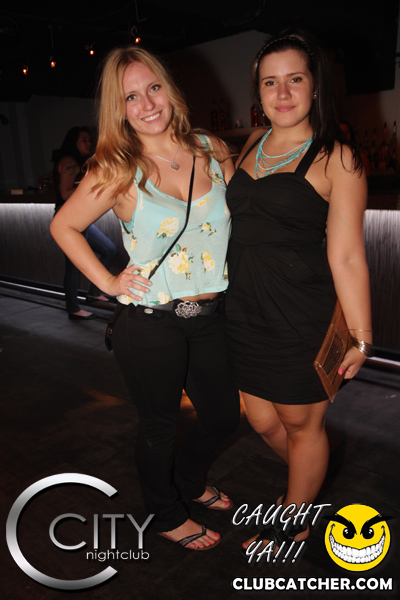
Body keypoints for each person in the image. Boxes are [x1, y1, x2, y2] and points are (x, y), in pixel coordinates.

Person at [50, 47, 240, 550]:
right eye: (131, 97)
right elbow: (64, 225)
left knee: (223, 415)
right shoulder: (117, 167)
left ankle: (189, 481)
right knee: (159, 426)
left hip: (210, 314)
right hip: (151, 321)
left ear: (169, 88)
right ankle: (164, 512)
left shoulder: (212, 148)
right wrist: (109, 282)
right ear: (119, 109)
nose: (147, 104)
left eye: (153, 88)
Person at [224, 29, 372, 554]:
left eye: (295, 79)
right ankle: (308, 487)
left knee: (300, 424)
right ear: (258, 91)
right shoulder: (252, 143)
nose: (282, 93)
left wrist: (361, 336)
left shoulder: (339, 158)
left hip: (299, 315)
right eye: (270, 82)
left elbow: (347, 256)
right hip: (243, 311)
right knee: (262, 419)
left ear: (315, 86)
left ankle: (294, 522)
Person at [53, 126, 117, 319]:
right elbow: (65, 193)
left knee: (109, 249)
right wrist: (91, 186)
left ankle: (94, 292)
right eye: (84, 140)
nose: (89, 143)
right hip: (69, 219)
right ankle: (73, 309)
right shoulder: (70, 162)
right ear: (74, 142)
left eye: (89, 140)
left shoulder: (76, 162)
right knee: (73, 265)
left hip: (79, 219)